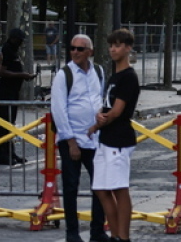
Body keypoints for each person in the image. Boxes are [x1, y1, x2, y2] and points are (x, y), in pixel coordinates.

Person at [51, 34, 108, 242]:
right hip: (72, 140)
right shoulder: (64, 75)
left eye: (80, 49)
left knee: (100, 186)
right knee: (71, 187)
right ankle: (72, 233)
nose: (75, 51)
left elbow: (100, 99)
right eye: (72, 48)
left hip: (95, 139)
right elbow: (59, 110)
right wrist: (70, 141)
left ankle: (97, 231)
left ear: (90, 52)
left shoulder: (99, 71)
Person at [89, 29, 140, 242]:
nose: (113, 49)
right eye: (111, 45)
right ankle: (115, 233)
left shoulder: (128, 77)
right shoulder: (114, 76)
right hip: (105, 139)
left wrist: (99, 122)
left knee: (119, 189)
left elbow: (117, 110)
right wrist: (100, 117)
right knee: (101, 189)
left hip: (119, 139)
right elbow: (108, 106)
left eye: (118, 45)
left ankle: (123, 236)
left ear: (128, 48)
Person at [0, 28, 36, 165]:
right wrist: (22, 75)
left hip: (13, 92)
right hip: (6, 92)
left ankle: (10, 152)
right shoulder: (7, 50)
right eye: (19, 40)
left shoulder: (13, 51)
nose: (20, 43)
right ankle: (3, 154)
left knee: (10, 124)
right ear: (14, 39)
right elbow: (2, 72)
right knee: (5, 124)